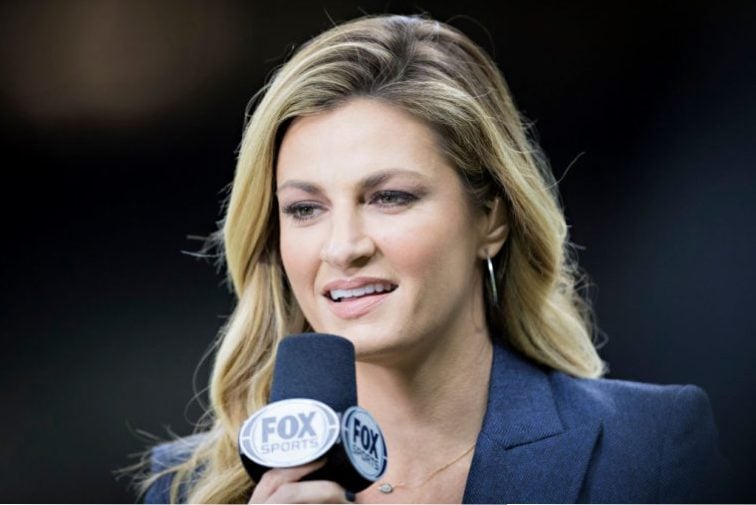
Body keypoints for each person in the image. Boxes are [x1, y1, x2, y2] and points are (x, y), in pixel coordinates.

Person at [139, 14, 729, 504]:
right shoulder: (185, 488)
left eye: (390, 197)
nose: (343, 246)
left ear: (491, 219)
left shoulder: (648, 447)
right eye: (305, 208)